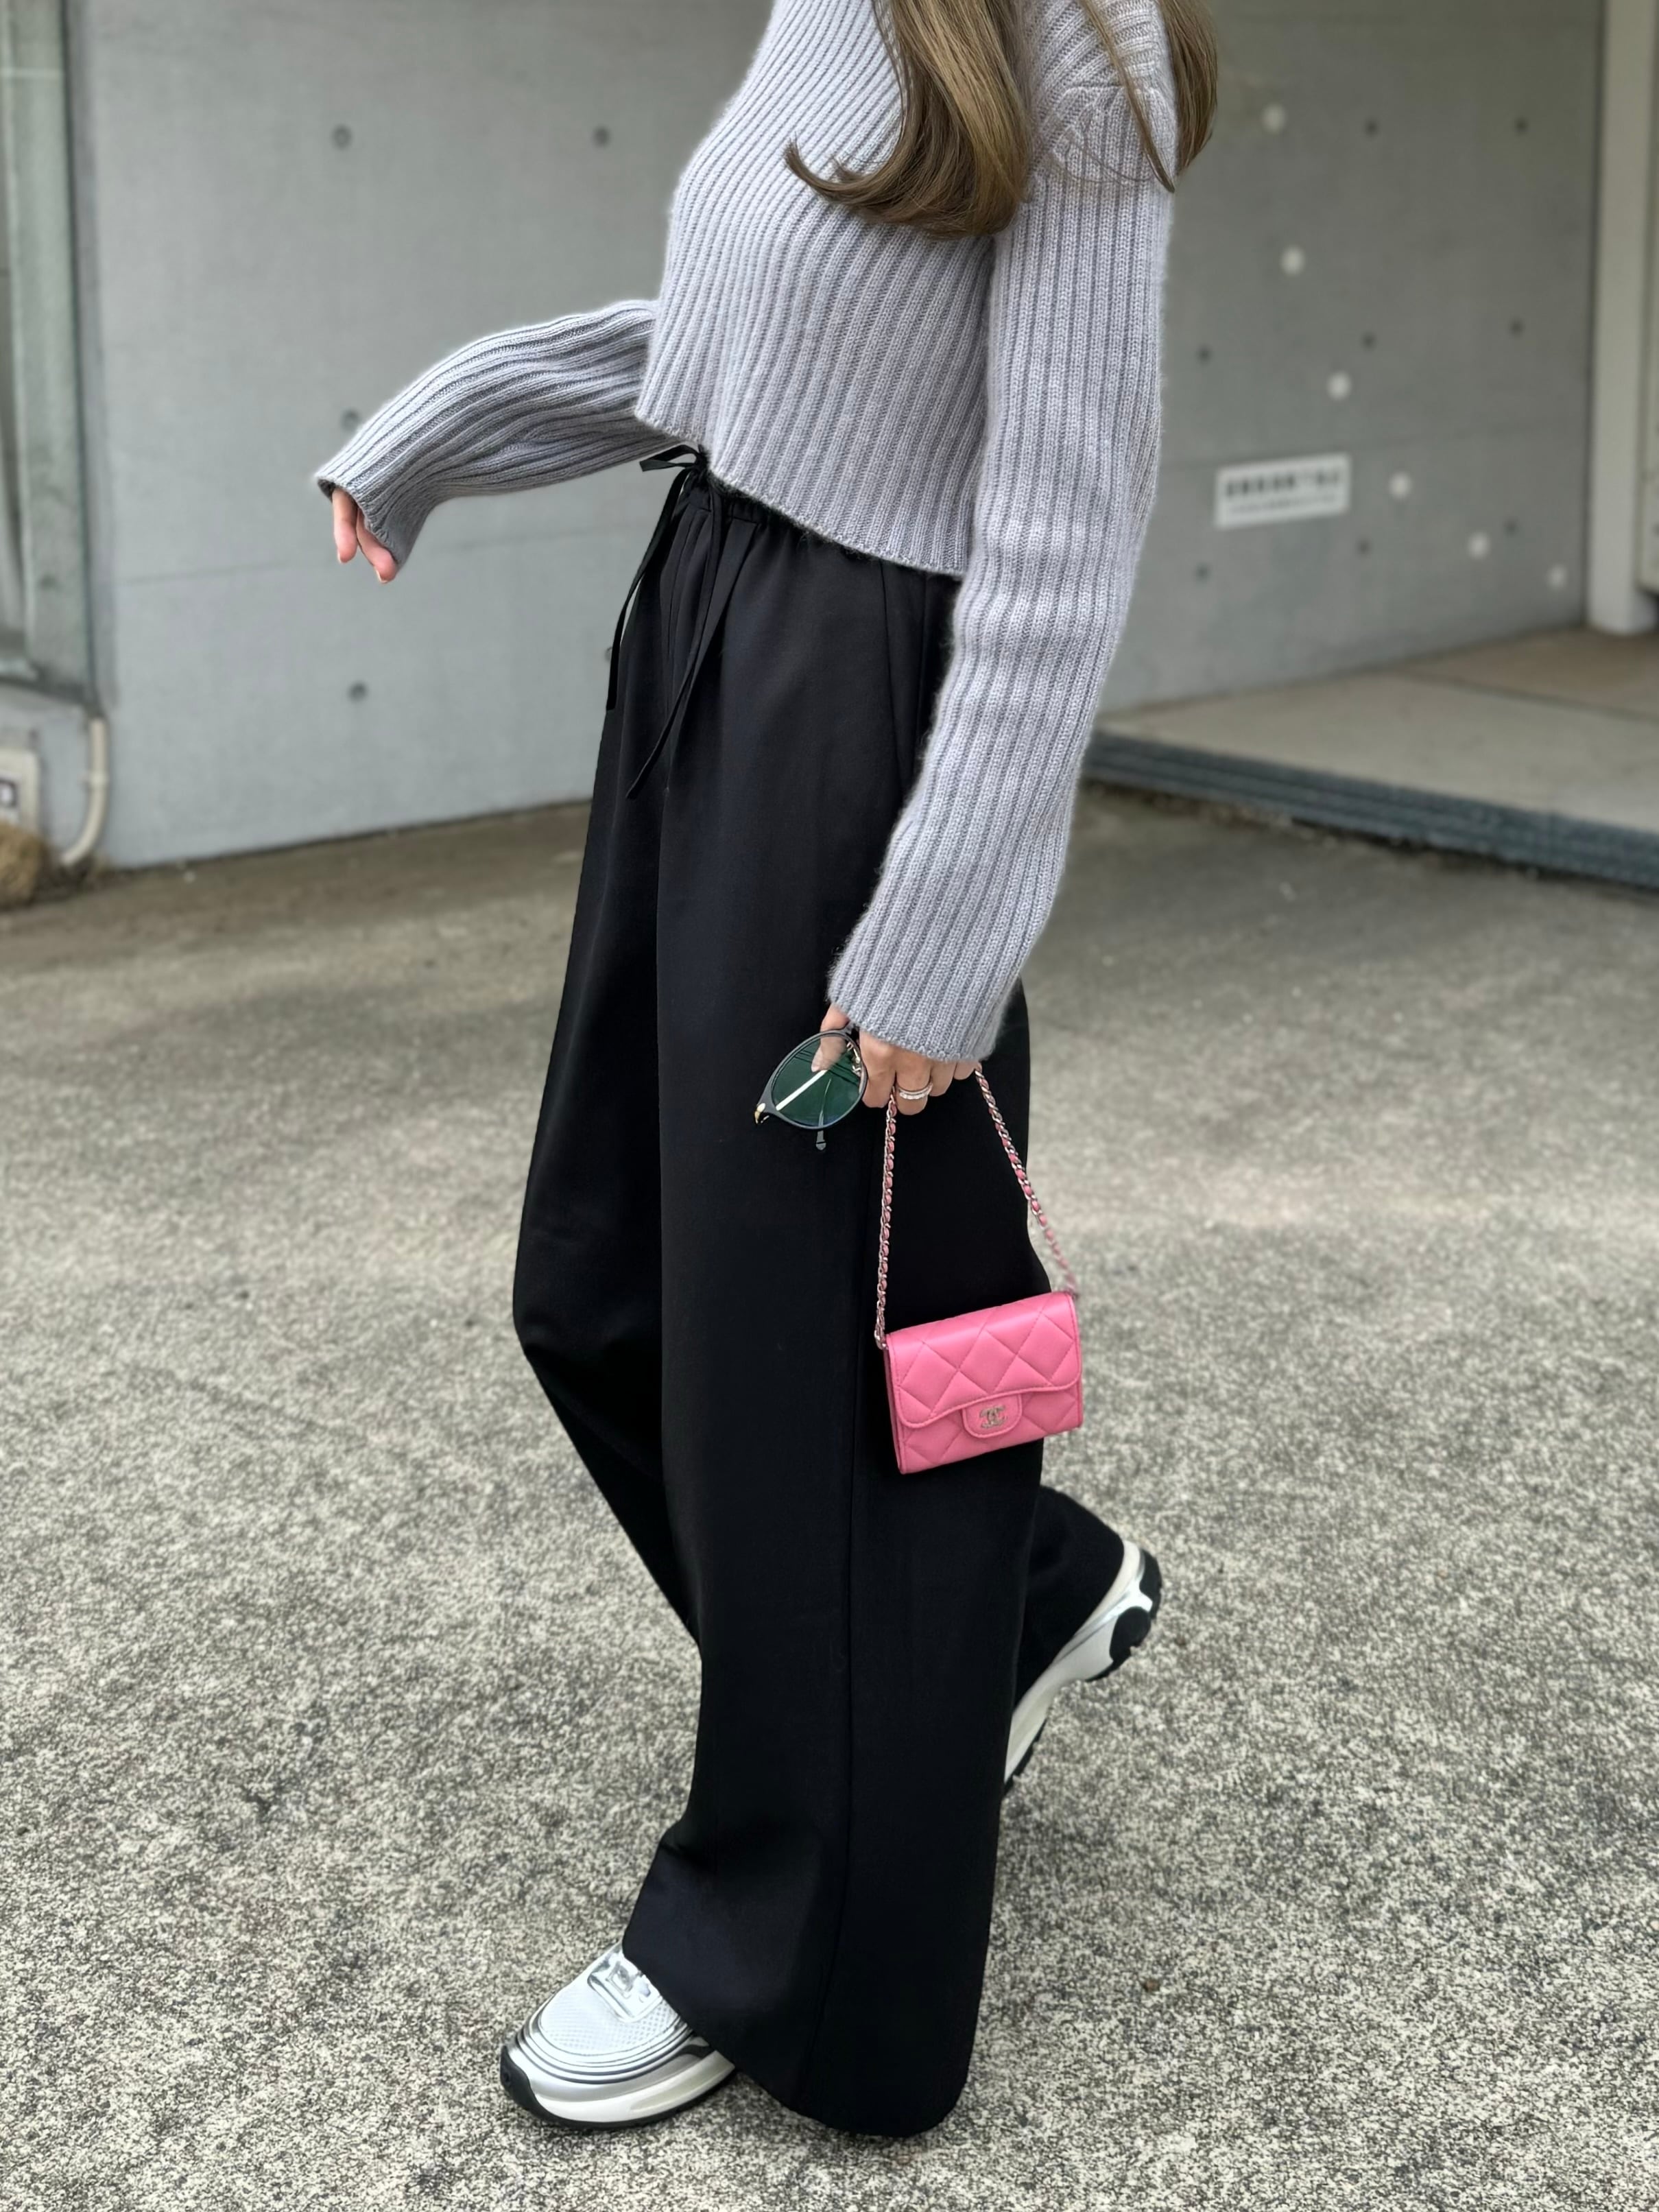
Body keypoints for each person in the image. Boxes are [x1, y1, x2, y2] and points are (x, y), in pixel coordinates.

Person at [318, 0, 1216, 2141]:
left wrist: (939, 929)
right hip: (711, 629)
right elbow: (759, 334)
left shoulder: (1077, 40)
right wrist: (449, 418)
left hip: (861, 724)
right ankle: (1010, 1599)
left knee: (806, 1378)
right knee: (604, 1286)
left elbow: (1065, 519)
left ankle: (787, 1940)